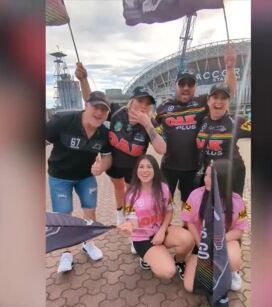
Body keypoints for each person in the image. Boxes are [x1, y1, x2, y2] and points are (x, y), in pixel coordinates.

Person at [75, 63, 166, 257]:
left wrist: (147, 124)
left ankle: (136, 237)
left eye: (147, 104)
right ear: (131, 100)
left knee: (134, 198)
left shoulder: (149, 122)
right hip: (113, 163)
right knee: (118, 189)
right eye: (139, 101)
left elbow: (161, 148)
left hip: (134, 168)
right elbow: (91, 102)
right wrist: (83, 79)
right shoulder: (115, 111)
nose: (142, 106)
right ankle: (118, 213)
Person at [155, 43, 237, 205]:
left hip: (193, 169)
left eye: (190, 84)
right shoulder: (163, 108)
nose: (186, 87)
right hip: (168, 167)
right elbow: (150, 130)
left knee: (190, 208)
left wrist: (229, 68)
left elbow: (228, 93)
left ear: (195, 86)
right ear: (175, 85)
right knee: (163, 204)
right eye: (182, 84)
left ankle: (187, 230)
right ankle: (162, 230)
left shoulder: (202, 102)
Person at [46, 91, 114, 273]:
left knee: (90, 210)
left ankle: (89, 244)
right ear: (86, 105)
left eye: (104, 109)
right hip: (60, 177)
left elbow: (107, 158)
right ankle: (65, 253)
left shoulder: (104, 133)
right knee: (63, 215)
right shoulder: (63, 120)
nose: (99, 113)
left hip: (86, 177)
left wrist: (102, 167)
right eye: (96, 107)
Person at [118, 155, 194, 279]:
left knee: (188, 239)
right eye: (141, 167)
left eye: (149, 167)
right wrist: (129, 227)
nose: (145, 170)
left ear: (155, 170)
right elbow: (133, 223)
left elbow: (169, 212)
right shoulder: (131, 194)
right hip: (143, 238)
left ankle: (179, 261)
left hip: (161, 231)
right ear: (136, 170)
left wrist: (162, 231)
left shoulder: (163, 187)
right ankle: (147, 257)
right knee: (168, 271)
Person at [181, 160, 248, 292]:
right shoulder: (196, 195)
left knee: (234, 260)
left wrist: (218, 240)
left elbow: (239, 231)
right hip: (203, 243)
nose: (206, 180)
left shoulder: (236, 200)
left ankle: (233, 272)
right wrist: (201, 244)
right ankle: (209, 266)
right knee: (190, 286)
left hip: (225, 241)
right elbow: (189, 222)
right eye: (205, 175)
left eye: (211, 177)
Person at [195, 84, 251, 195]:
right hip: (206, 173)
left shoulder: (237, 121)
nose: (219, 101)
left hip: (232, 173)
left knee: (230, 208)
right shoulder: (202, 120)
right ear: (208, 100)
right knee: (208, 207)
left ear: (228, 102)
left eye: (223, 98)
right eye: (215, 97)